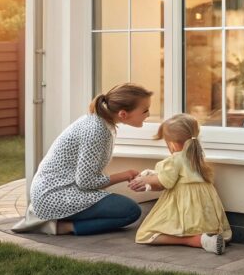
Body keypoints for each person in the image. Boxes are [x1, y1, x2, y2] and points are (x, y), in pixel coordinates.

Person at [11, 83, 151, 236]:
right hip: (53, 195)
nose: (149, 114)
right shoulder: (96, 130)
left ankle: (49, 219)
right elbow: (85, 182)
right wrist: (125, 175)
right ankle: (59, 227)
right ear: (123, 114)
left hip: (60, 189)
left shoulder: (102, 123)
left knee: (124, 207)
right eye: (145, 110)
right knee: (130, 212)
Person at [129, 114, 232, 254]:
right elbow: (178, 177)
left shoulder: (174, 160)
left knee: (145, 234)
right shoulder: (197, 157)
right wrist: (153, 175)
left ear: (171, 143)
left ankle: (193, 240)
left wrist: (146, 181)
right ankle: (208, 239)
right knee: (206, 230)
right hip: (205, 215)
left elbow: (165, 182)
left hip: (184, 209)